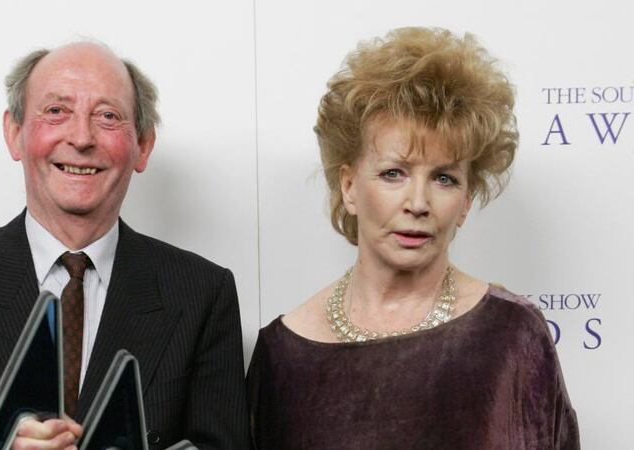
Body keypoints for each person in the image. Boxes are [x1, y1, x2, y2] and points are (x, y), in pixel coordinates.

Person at [0, 41, 249, 450]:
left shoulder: (202, 292)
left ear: (142, 145)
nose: (81, 137)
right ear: (15, 132)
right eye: (56, 111)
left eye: (108, 116)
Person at [247, 27, 579, 449]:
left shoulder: (512, 335)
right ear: (349, 187)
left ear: (465, 201)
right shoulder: (284, 353)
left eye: (444, 178)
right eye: (393, 173)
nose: (417, 202)